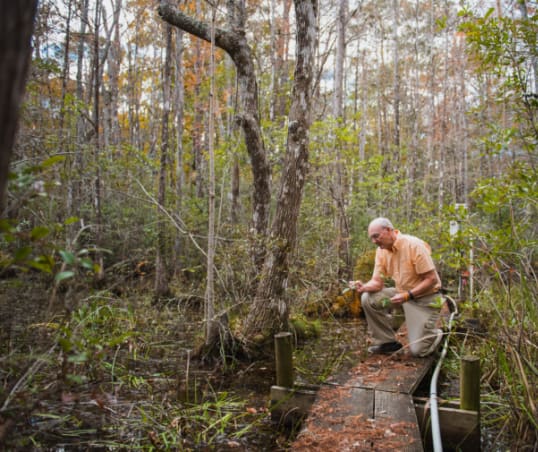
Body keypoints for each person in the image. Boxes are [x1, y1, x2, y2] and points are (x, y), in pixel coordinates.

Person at [351, 218, 444, 356]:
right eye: (372, 238)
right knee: (368, 298)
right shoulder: (381, 251)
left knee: (418, 351)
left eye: (376, 236)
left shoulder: (413, 245)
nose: (374, 241)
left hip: (425, 299)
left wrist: (407, 295)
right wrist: (363, 287)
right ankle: (387, 343)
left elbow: (431, 279)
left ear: (388, 230)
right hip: (402, 295)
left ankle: (436, 334)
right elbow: (377, 282)